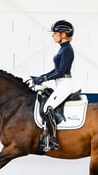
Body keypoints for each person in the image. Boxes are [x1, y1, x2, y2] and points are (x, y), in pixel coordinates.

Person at [32, 20, 75, 151]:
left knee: (48, 107)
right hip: (61, 83)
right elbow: (56, 70)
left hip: (65, 84)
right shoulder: (62, 49)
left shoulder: (67, 49)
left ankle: (52, 139)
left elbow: (61, 71)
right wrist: (41, 77)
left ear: (63, 34)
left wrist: (44, 78)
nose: (53, 35)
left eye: (55, 33)